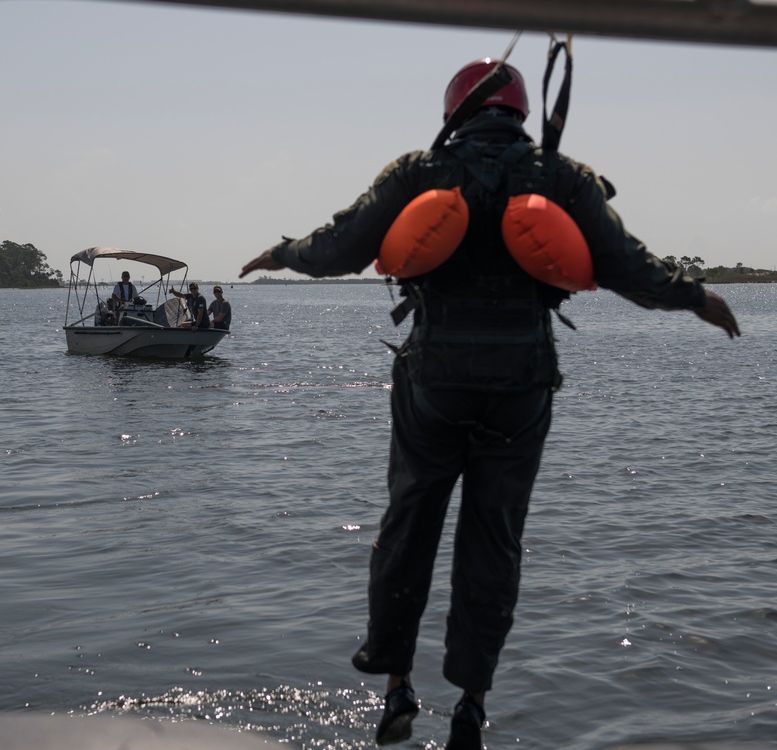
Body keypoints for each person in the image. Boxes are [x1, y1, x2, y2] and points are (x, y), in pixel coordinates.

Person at [240, 57, 739, 749]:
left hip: (434, 384)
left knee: (409, 524)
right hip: (521, 387)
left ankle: (395, 687)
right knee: (494, 541)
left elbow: (342, 245)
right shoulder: (563, 179)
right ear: (521, 114)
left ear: (456, 112)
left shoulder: (419, 171)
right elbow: (632, 268)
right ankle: (472, 703)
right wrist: (700, 299)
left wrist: (281, 253)